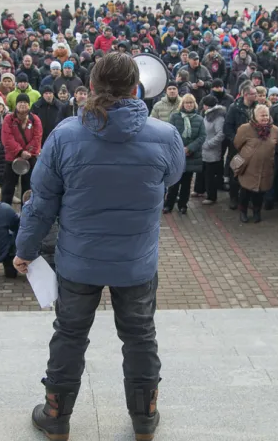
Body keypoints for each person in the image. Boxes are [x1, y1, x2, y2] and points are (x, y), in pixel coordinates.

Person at [13, 53, 185, 441]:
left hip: (78, 263)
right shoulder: (165, 135)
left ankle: (56, 416)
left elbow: (41, 203)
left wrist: (25, 249)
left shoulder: (64, 135)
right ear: (135, 87)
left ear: (91, 87)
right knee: (140, 336)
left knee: (70, 335)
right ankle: (145, 417)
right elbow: (172, 176)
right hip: (136, 263)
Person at [234, 104, 278, 223]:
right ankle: (243, 212)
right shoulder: (245, 128)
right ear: (255, 116)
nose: (264, 117)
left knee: (260, 192)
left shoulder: (275, 130)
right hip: (248, 166)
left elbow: (276, 146)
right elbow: (237, 144)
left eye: (266, 115)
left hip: (266, 167)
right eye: (262, 115)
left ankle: (256, 212)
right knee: (245, 191)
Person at [164, 93, 205, 214]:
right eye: (187, 102)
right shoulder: (175, 117)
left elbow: (202, 136)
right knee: (174, 182)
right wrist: (180, 148)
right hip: (177, 154)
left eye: (191, 102)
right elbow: (170, 132)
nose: (189, 105)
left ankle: (183, 204)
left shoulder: (199, 119)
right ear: (183, 104)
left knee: (187, 183)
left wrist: (190, 148)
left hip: (191, 155)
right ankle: (168, 204)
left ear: (194, 104)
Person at [1, 93, 42, 204]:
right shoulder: (8, 119)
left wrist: (27, 152)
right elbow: (7, 138)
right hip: (12, 157)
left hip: (30, 157)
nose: (23, 104)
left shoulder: (35, 119)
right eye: (20, 102)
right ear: (16, 104)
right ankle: (4, 212)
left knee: (28, 188)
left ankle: (26, 214)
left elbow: (37, 137)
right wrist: (20, 151)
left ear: (29, 105)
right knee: (8, 187)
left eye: (25, 102)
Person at [195, 94, 225, 205]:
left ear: (207, 106)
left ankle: (211, 196)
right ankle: (199, 189)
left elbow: (221, 134)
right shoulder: (207, 114)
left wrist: (208, 144)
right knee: (201, 171)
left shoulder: (218, 117)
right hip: (204, 149)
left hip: (211, 150)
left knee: (210, 174)